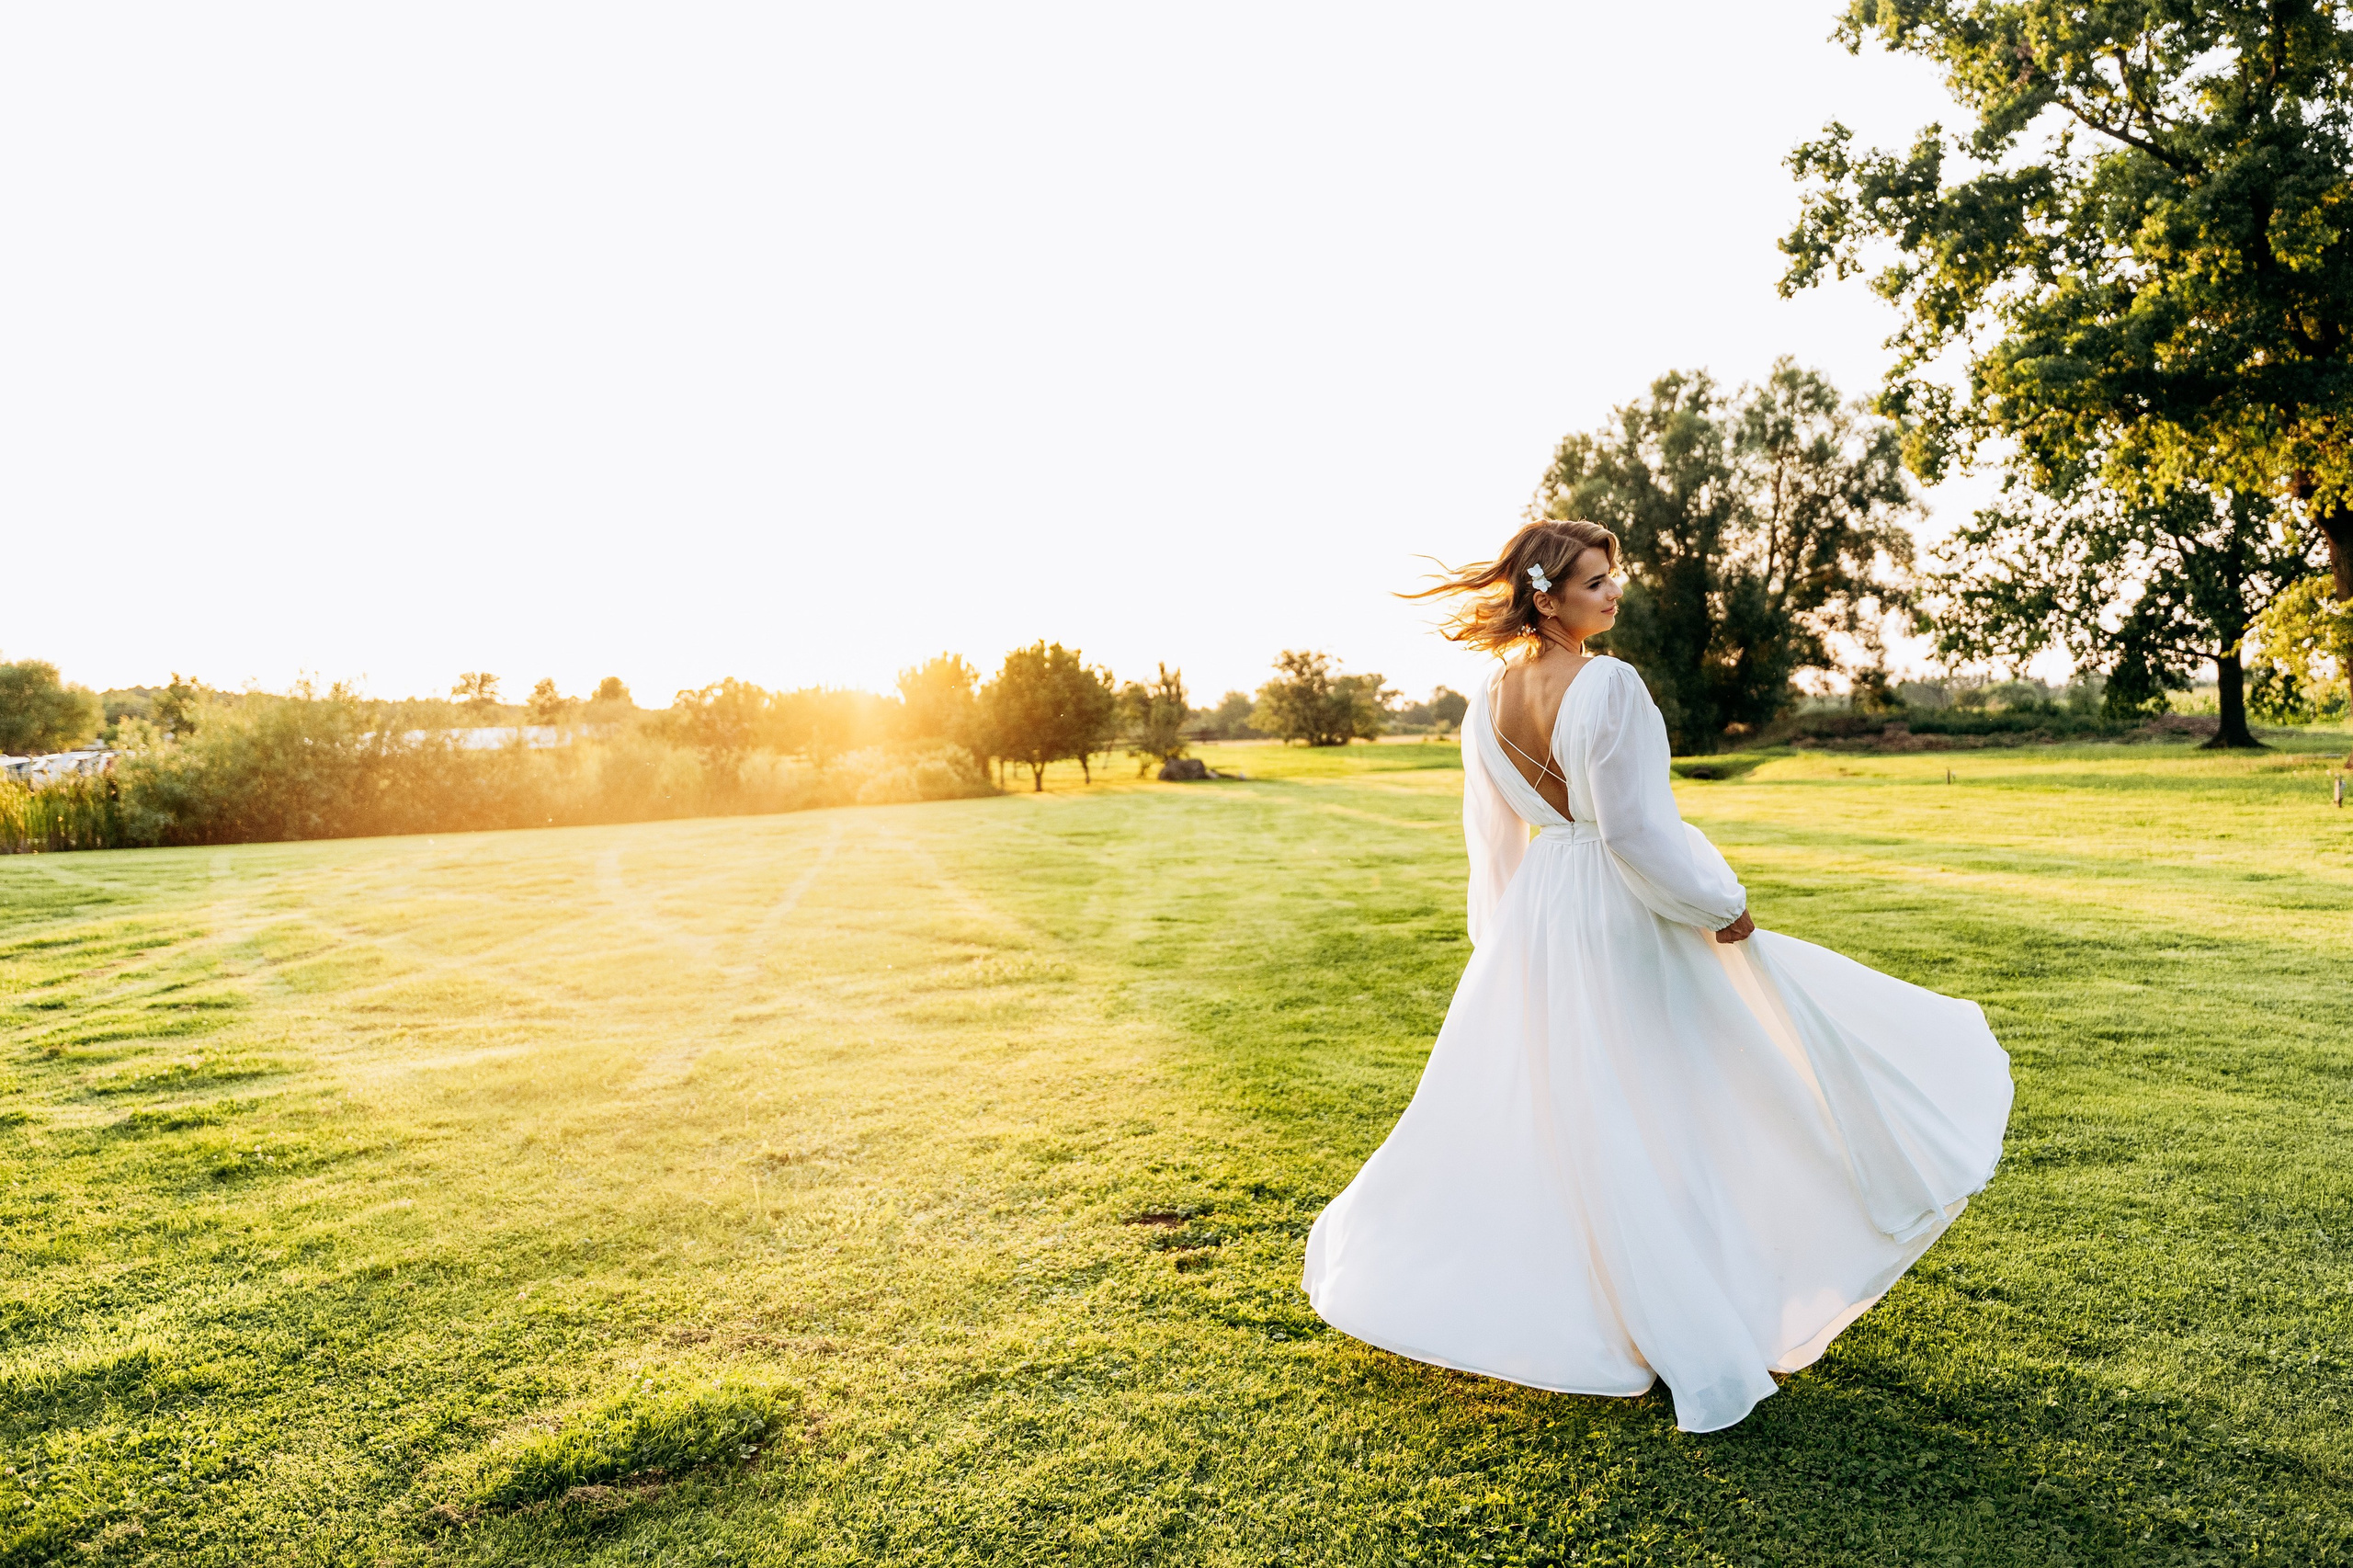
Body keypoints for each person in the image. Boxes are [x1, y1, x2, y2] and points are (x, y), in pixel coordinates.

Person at [1300, 518, 2013, 1433]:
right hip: (1621, 911)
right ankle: (1693, 1303)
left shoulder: (1487, 699)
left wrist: (1506, 945)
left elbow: (1494, 842)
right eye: (1595, 582)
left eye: (1613, 577)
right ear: (1546, 596)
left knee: (1588, 1106)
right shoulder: (1609, 684)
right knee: (1673, 1091)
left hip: (1543, 913)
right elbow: (1635, 832)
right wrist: (1715, 902)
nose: (1614, 594)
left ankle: (1633, 1303)